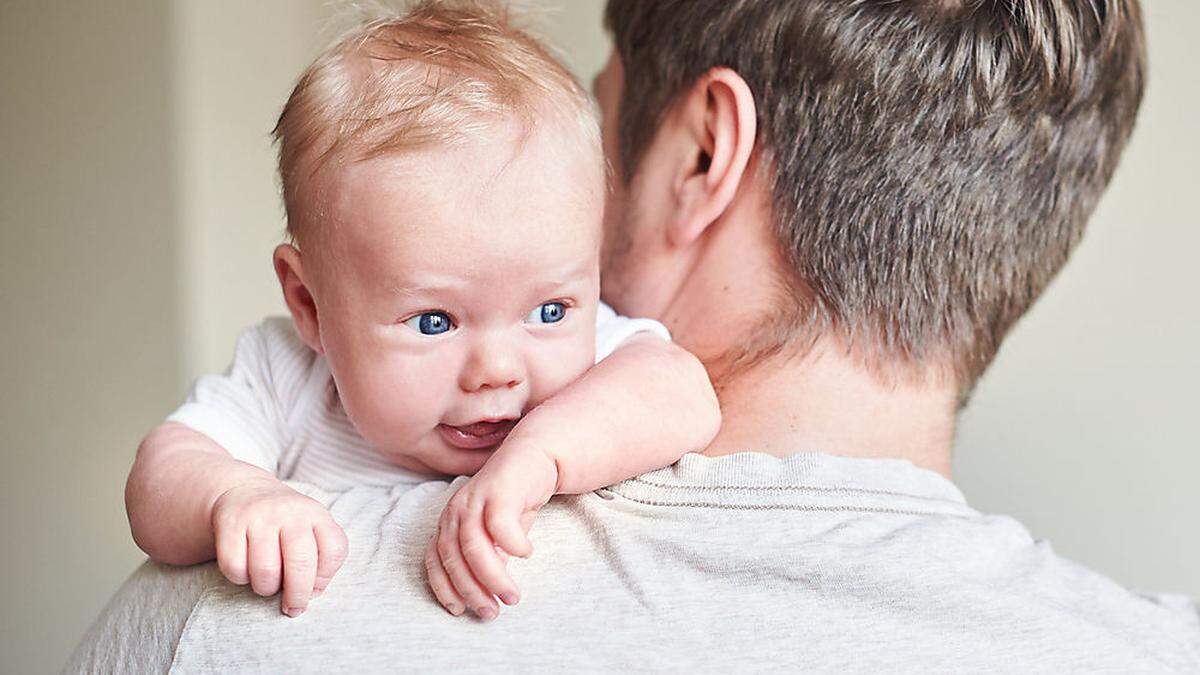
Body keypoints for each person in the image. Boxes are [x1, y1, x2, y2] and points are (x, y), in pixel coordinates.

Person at [70, 0, 1200, 671]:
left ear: (703, 158)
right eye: (435, 315)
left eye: (601, 128)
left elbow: (659, 388)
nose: (497, 366)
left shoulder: (230, 622)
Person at [122, 0, 719, 622]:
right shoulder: (285, 377)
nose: (497, 370)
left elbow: (682, 392)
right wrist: (234, 494)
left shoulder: (594, 356)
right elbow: (157, 481)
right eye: (435, 321)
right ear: (311, 306)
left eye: (547, 311)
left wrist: (543, 453)